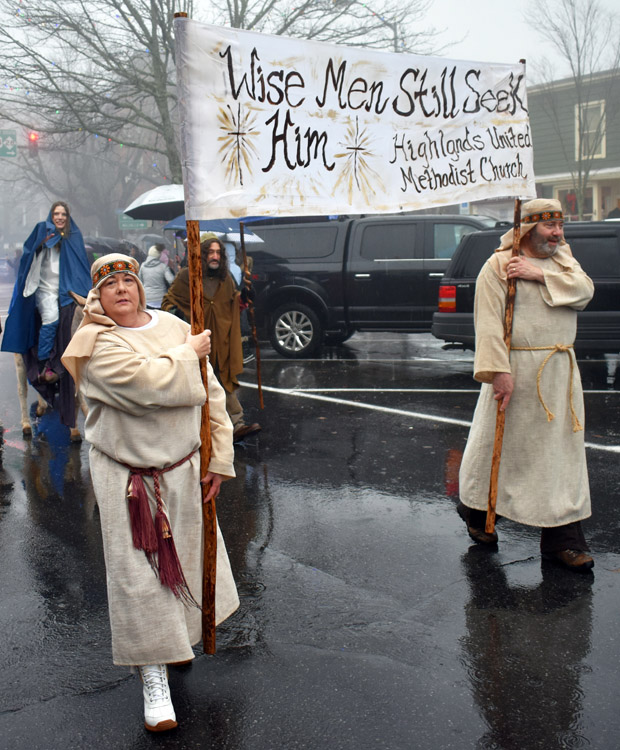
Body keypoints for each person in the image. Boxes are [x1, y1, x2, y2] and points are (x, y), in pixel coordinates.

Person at [62, 254, 239, 732]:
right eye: (111, 285)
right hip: (129, 481)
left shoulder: (175, 327)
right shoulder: (94, 344)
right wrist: (189, 355)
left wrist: (219, 459)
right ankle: (153, 678)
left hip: (184, 470)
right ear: (97, 296)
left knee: (184, 567)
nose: (122, 289)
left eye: (129, 280)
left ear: (141, 288)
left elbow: (211, 394)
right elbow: (145, 387)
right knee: (139, 580)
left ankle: (175, 644)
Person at [457, 198, 595, 571]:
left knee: (560, 459)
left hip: (558, 373)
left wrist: (539, 274)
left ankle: (563, 541)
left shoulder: (563, 260)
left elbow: (584, 291)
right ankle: (477, 512)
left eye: (560, 226)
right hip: (515, 371)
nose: (557, 234)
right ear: (529, 228)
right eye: (550, 226)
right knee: (501, 452)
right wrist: (497, 371)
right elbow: (487, 324)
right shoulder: (499, 265)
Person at [162, 233, 261, 442]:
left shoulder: (226, 278)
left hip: (222, 340)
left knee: (224, 380)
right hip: (197, 342)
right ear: (202, 254)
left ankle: (236, 424)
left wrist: (244, 297)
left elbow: (233, 303)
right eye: (210, 252)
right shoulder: (187, 276)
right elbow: (168, 302)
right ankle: (199, 430)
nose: (215, 256)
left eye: (218, 252)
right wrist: (179, 314)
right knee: (199, 385)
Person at [1, 201, 91, 426]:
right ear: (52, 216)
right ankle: (45, 364)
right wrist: (41, 245)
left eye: (63, 214)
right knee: (50, 319)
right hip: (44, 292)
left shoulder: (73, 237)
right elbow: (28, 259)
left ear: (68, 216)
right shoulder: (43, 233)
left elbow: (79, 267)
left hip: (66, 292)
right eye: (56, 213)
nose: (60, 217)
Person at [138, 243, 175, 308]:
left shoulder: (143, 266)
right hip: (161, 299)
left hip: (147, 298)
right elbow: (171, 281)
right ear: (159, 255)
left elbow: (140, 281)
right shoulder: (163, 267)